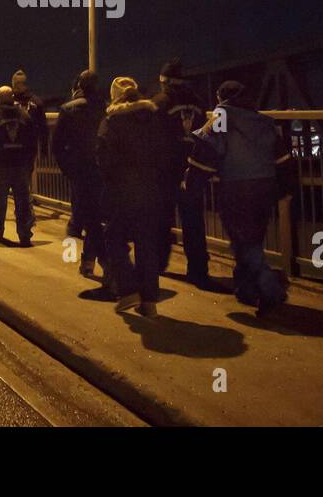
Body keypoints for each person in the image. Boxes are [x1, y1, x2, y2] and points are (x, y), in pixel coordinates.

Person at [186, 80, 291, 314]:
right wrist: (286, 188)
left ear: (219, 98)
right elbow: (282, 158)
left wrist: (193, 183)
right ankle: (246, 289)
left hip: (236, 186)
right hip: (265, 187)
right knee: (253, 238)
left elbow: (206, 150)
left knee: (243, 241)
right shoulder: (262, 119)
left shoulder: (222, 115)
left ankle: (270, 288)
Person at [97, 76, 169, 318]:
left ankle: (128, 290)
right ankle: (149, 301)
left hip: (122, 191)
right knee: (146, 242)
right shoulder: (152, 117)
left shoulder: (112, 121)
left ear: (115, 95)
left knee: (114, 237)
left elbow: (104, 160)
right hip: (150, 189)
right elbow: (163, 153)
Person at [153, 58, 214, 288]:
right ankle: (198, 271)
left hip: (166, 171)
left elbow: (152, 139)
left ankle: (159, 264)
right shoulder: (198, 103)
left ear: (165, 82)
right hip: (192, 169)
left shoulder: (159, 103)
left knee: (163, 218)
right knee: (194, 221)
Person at [51, 70, 108, 277]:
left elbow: (56, 144)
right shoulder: (104, 109)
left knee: (89, 218)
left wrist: (67, 169)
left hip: (78, 170)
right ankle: (88, 262)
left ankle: (107, 266)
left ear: (78, 87)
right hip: (100, 169)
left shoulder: (68, 109)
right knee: (94, 215)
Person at [0, 86, 39, 246]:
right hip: (21, 166)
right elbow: (32, 142)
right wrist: (28, 161)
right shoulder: (25, 116)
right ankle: (25, 235)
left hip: (2, 166)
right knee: (22, 201)